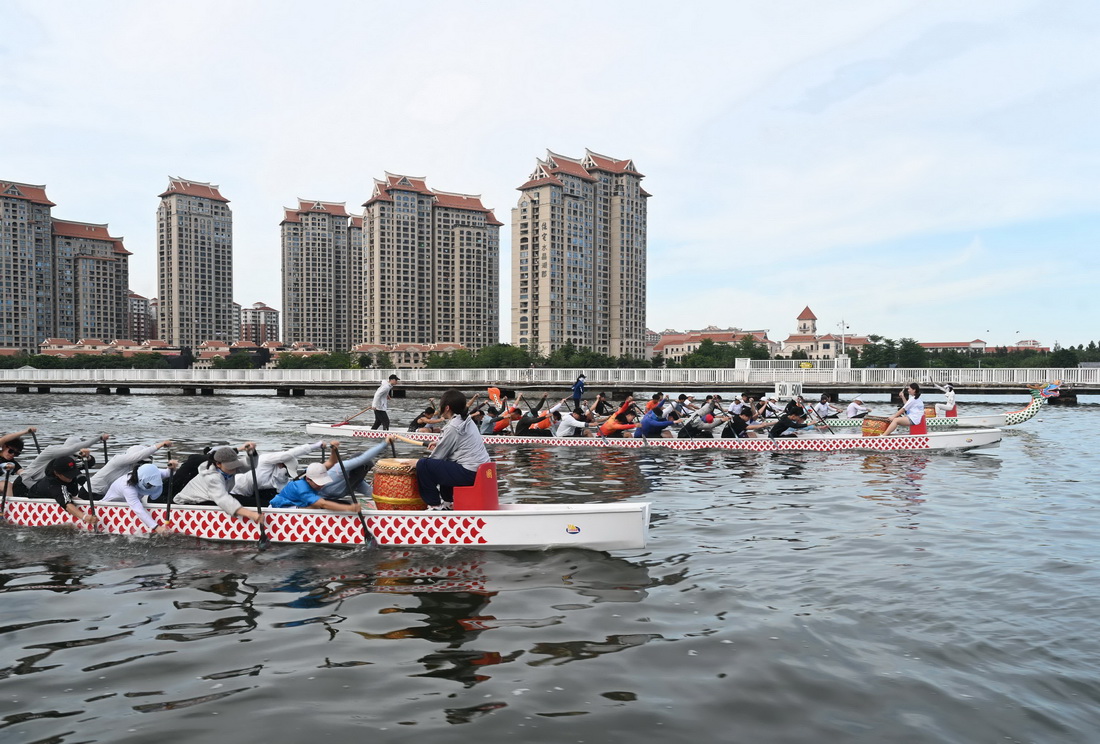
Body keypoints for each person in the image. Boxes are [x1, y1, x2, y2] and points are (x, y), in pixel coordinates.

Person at [415, 389, 491, 510]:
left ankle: (435, 506)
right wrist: (440, 442)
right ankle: (448, 503)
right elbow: (457, 442)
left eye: (441, 405)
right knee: (447, 463)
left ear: (447, 408)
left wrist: (415, 464)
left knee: (424, 465)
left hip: (470, 473)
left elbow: (437, 457)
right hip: (481, 469)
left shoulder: (453, 427)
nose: (439, 408)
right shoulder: (467, 419)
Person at [172, 444, 263, 524]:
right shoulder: (212, 478)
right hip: (190, 504)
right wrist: (251, 514)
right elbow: (223, 499)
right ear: (218, 464)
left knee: (247, 500)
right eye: (231, 466)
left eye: (235, 465)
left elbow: (250, 465)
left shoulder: (228, 468)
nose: (234, 469)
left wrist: (252, 453)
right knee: (241, 502)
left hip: (211, 497)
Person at [231, 440, 332, 505]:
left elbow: (285, 493)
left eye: (288, 474)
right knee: (267, 504)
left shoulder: (280, 477)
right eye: (287, 472)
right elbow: (290, 453)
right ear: (280, 464)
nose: (286, 476)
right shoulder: (265, 460)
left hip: (250, 493)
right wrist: (315, 446)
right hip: (233, 492)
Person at [100, 462, 177, 534]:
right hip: (111, 506)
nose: (153, 487)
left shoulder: (152, 472)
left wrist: (172, 467)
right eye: (150, 485)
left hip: (130, 502)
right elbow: (138, 510)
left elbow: (169, 473)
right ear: (141, 480)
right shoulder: (127, 487)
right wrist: (156, 527)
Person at [17, 432, 109, 491]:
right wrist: (99, 438)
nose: (75, 459)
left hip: (42, 484)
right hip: (25, 484)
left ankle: (89, 491)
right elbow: (73, 448)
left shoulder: (66, 460)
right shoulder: (52, 452)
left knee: (75, 474)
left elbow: (89, 464)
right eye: (74, 456)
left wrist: (87, 457)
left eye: (77, 456)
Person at [27, 455, 96, 526]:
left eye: (73, 473)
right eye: (68, 475)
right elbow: (67, 505)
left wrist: (87, 456)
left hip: (64, 494)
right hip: (35, 500)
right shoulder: (54, 485)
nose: (71, 477)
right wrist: (85, 517)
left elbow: (90, 463)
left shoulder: (69, 466)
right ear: (57, 473)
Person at [89, 439, 172, 497]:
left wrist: (171, 470)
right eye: (141, 462)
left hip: (105, 493)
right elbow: (138, 456)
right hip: (91, 493)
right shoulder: (118, 460)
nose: (142, 465)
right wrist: (160, 445)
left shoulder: (134, 469)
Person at [315, 438, 392, 500]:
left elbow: (375, 494)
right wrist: (385, 443)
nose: (365, 474)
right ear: (362, 467)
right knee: (350, 507)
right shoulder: (342, 468)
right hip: (311, 501)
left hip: (326, 503)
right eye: (367, 470)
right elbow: (364, 458)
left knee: (352, 505)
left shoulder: (357, 482)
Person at [269, 462, 362, 512]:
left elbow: (330, 463)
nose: (321, 485)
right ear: (308, 479)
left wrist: (333, 450)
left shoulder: (310, 473)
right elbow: (323, 504)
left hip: (295, 504)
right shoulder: (302, 489)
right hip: (279, 510)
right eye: (318, 482)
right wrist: (349, 509)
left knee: (342, 503)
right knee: (316, 506)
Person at [1, 427, 35, 495]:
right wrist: (25, 432)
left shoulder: (12, 463)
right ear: (4, 446)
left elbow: (23, 474)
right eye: (11, 451)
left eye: (16, 453)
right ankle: (11, 505)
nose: (12, 455)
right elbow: (3, 439)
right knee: (7, 485)